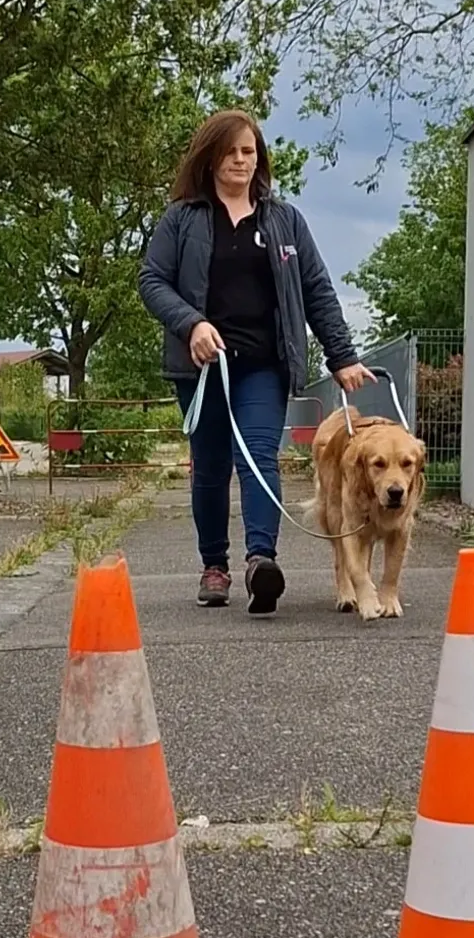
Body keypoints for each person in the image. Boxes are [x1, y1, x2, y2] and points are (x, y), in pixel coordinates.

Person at [139, 108, 375, 614]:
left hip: (265, 365)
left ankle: (260, 562)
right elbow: (151, 281)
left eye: (249, 151)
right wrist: (191, 324)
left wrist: (343, 356)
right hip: (201, 368)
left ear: (259, 157)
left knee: (259, 458)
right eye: (230, 152)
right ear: (210, 158)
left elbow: (316, 290)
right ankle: (215, 566)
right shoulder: (182, 218)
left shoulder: (285, 219)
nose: (240, 160)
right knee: (210, 467)